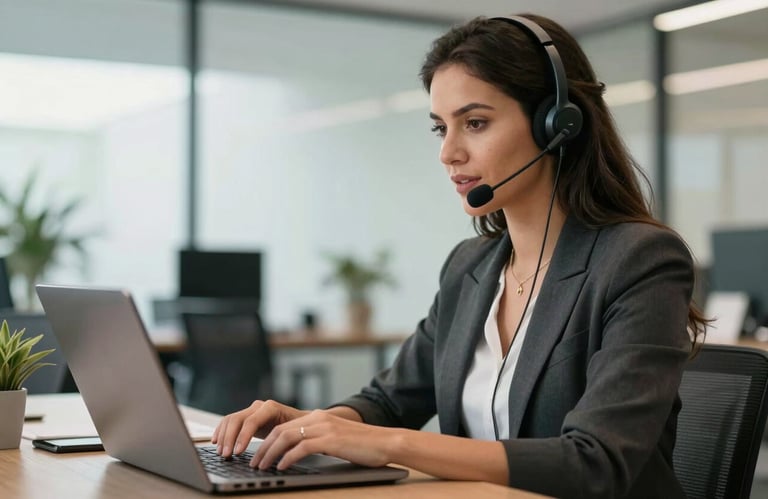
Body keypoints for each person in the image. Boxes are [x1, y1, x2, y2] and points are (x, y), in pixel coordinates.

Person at [212, 13, 707, 499]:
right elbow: (390, 399)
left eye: (474, 122)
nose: (448, 153)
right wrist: (308, 426)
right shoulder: (470, 267)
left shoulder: (639, 261)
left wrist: (390, 444)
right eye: (439, 129)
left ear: (558, 124)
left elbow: (595, 462)